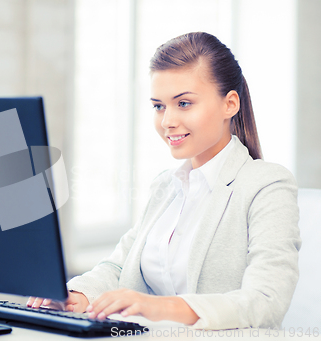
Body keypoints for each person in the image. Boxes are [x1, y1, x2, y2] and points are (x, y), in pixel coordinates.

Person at [27, 32, 301, 330]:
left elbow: (266, 300)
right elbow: (119, 266)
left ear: (230, 104)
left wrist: (159, 307)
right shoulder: (165, 186)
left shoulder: (267, 185)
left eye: (183, 103)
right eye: (159, 106)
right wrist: (77, 294)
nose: (167, 121)